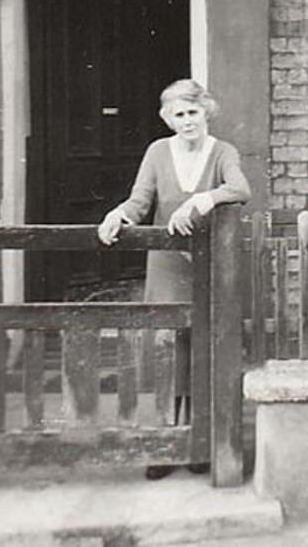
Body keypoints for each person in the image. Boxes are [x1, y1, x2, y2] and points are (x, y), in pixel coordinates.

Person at [97, 79, 251, 479]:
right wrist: (118, 214)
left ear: (206, 112)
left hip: (207, 263)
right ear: (168, 119)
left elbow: (239, 189)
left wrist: (202, 199)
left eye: (193, 112)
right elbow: (139, 201)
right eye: (178, 114)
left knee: (202, 348)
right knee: (166, 349)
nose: (187, 121)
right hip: (166, 264)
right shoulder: (157, 152)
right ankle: (165, 443)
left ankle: (199, 442)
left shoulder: (223, 152)